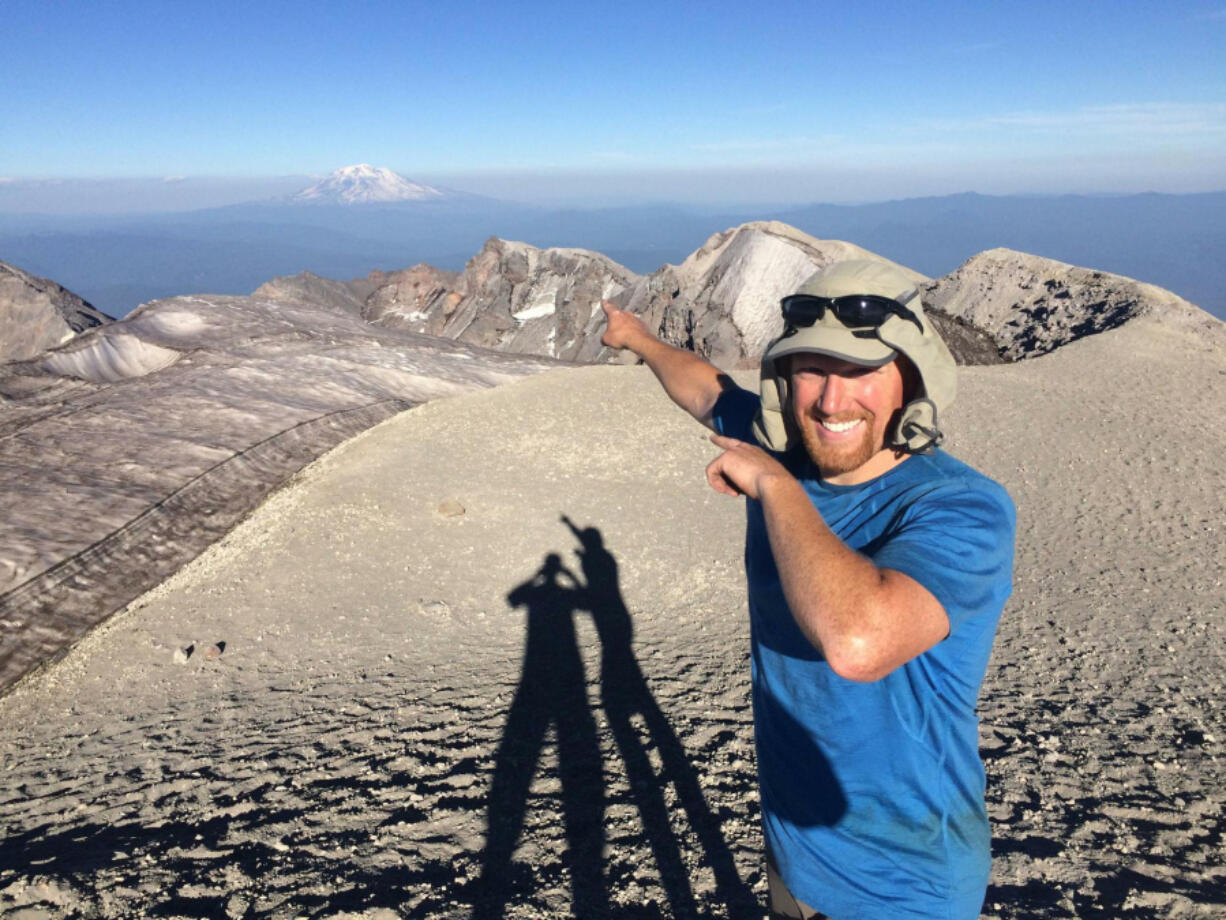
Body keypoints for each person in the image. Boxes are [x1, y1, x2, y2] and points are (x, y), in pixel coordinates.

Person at [600, 259, 1016, 919]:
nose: (830, 400)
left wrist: (775, 487)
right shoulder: (782, 448)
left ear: (911, 378)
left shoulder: (963, 508)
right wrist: (639, 339)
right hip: (794, 858)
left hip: (905, 886)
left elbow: (857, 640)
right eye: (811, 370)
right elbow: (706, 391)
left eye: (863, 372)